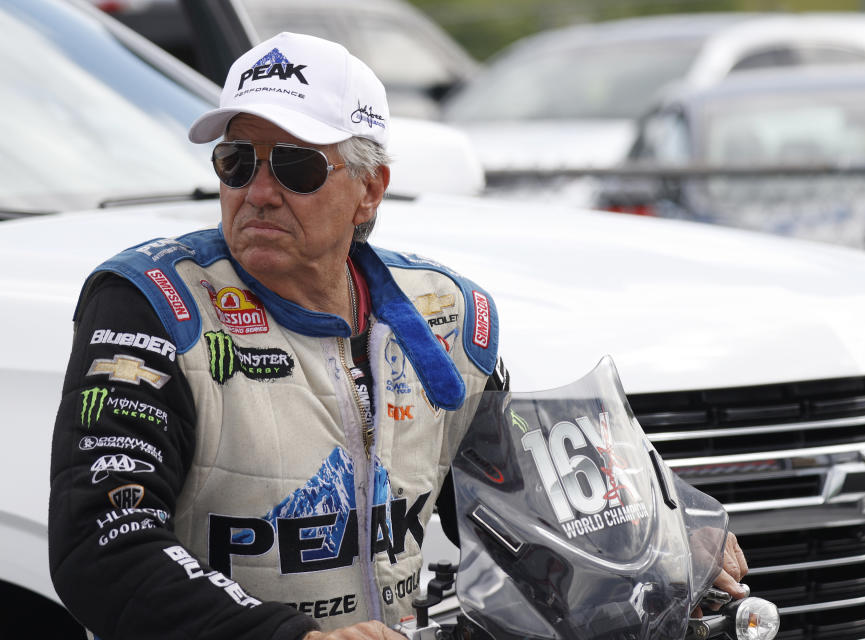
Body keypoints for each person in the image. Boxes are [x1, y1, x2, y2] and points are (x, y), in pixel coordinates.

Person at [48, 32, 746, 640]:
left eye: (293, 165)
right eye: (237, 161)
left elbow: (521, 497)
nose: (257, 190)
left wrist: (669, 537)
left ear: (370, 189)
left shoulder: (443, 316)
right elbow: (104, 546)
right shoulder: (151, 302)